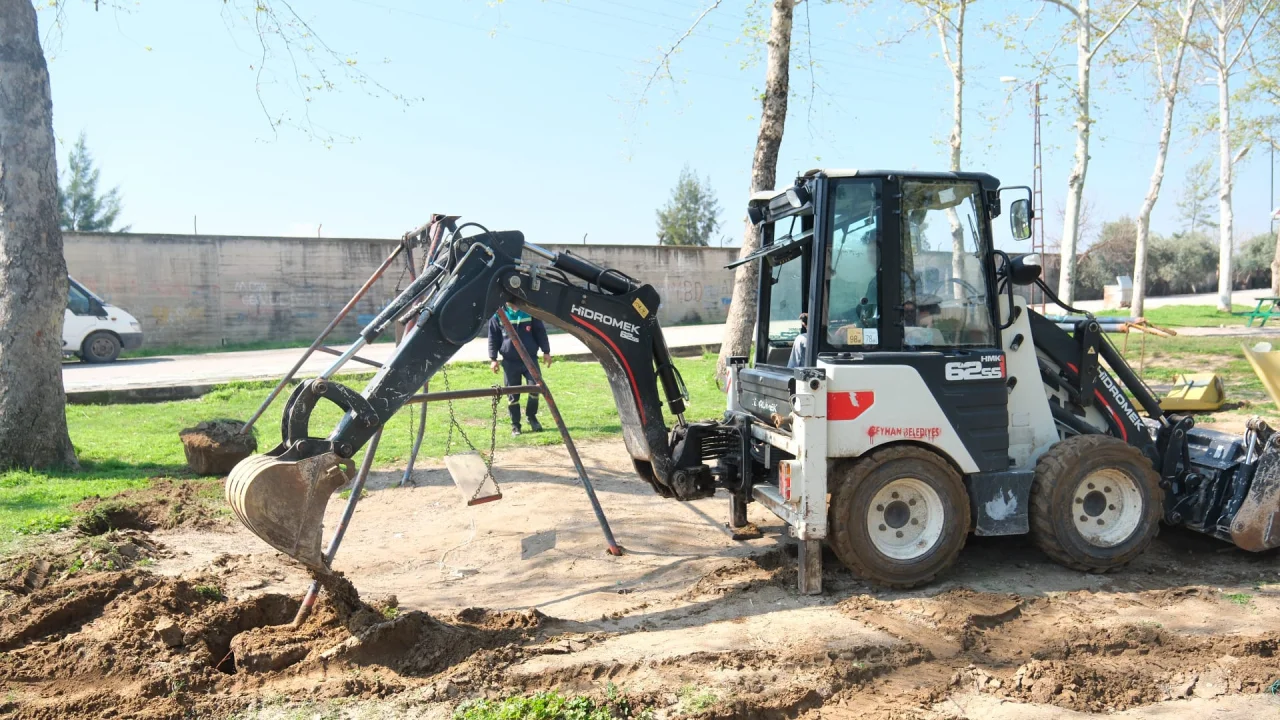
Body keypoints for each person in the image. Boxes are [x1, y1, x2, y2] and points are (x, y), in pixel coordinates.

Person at [488, 303, 553, 436]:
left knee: (535, 388)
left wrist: (546, 351)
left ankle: (531, 417)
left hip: (530, 359)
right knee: (512, 395)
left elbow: (540, 332)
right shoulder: (498, 314)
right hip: (510, 362)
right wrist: (493, 359)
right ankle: (515, 425)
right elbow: (493, 337)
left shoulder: (529, 312)